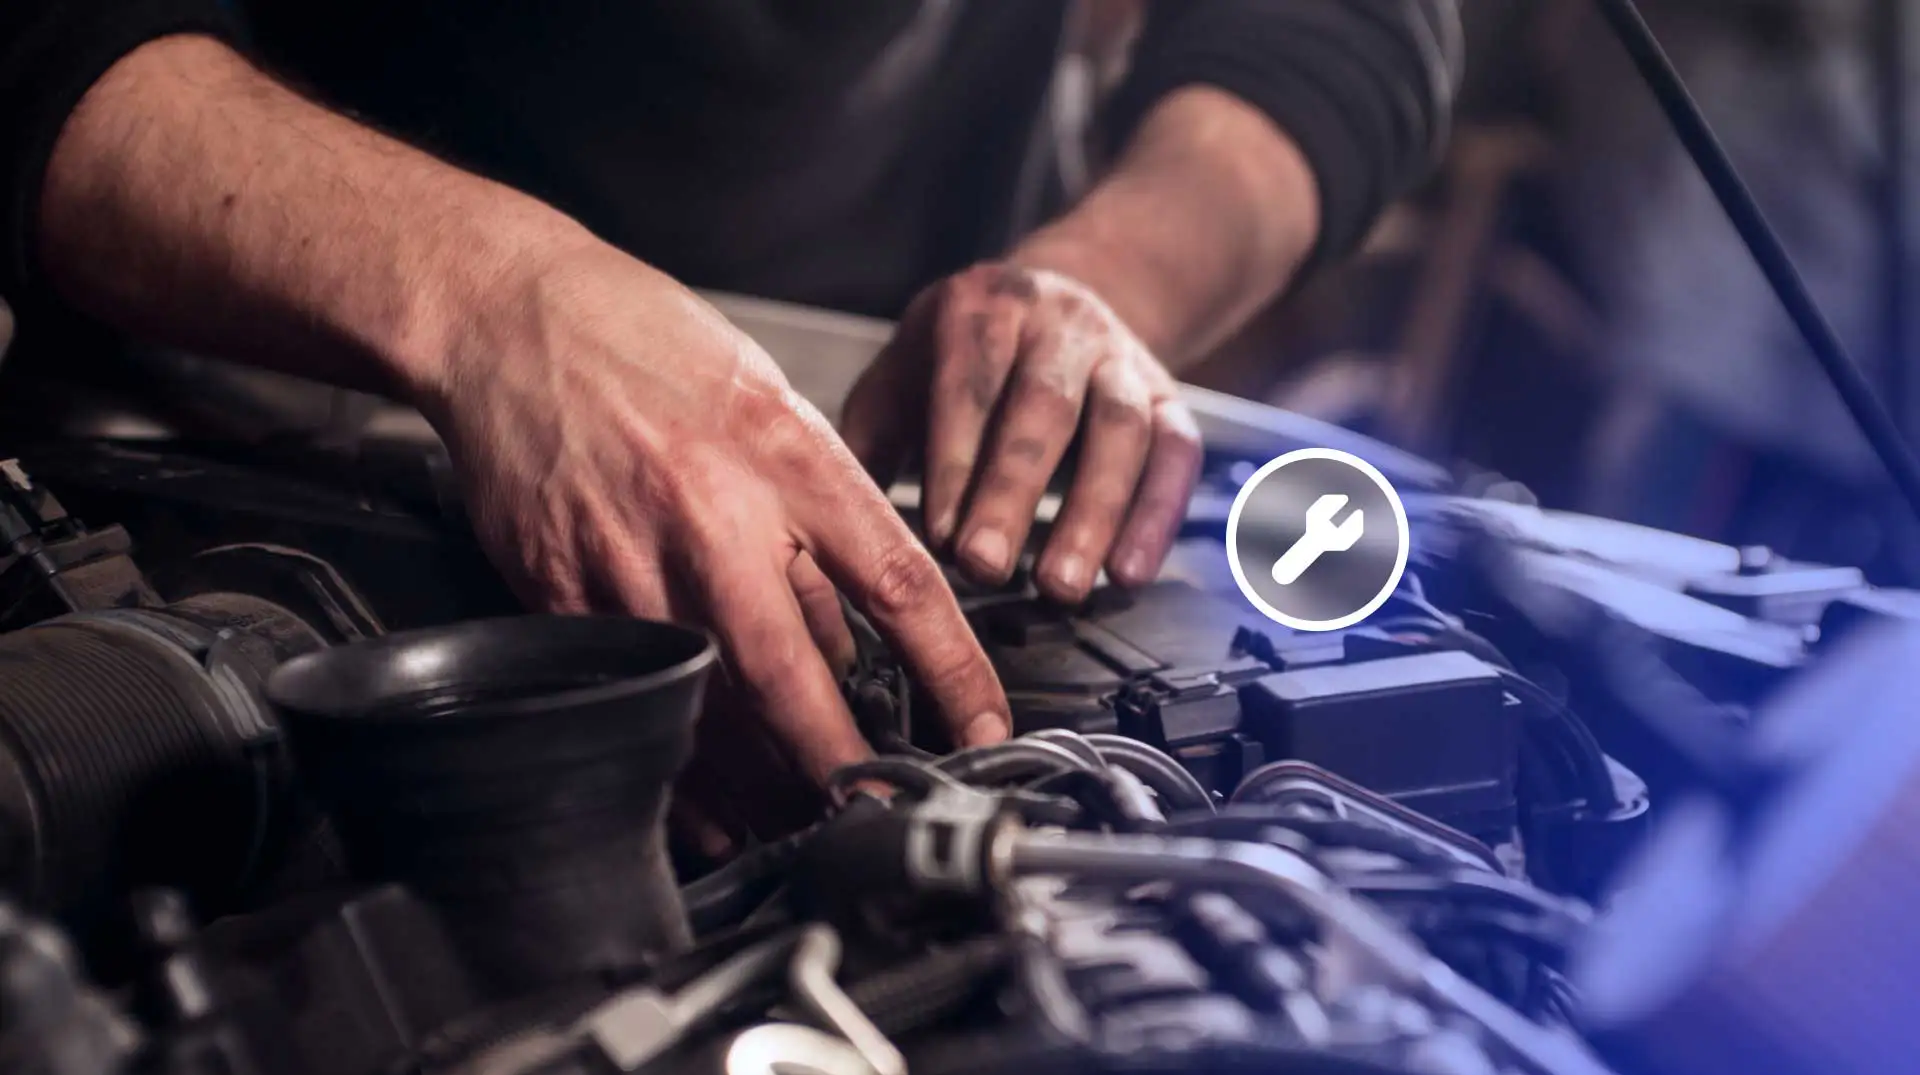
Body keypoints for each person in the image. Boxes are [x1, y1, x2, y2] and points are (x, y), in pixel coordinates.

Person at [0, 2, 1461, 806]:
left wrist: (1095, 282)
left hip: (897, 417)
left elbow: (1345, 29)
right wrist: (492, 299)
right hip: (248, 395)